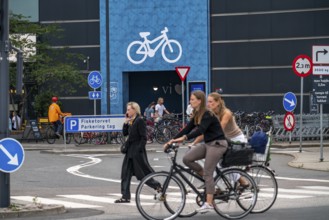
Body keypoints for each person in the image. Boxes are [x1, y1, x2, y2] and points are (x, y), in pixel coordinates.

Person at [164, 90, 228, 214]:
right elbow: (187, 129)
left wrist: (185, 138)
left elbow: (201, 130)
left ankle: (209, 203)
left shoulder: (208, 114)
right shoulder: (197, 113)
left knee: (209, 172)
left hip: (218, 144)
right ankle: (209, 182)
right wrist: (172, 140)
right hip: (208, 144)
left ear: (199, 101)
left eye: (192, 99)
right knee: (187, 159)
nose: (190, 101)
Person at [191, 92, 249, 185]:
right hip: (225, 139)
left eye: (210, 102)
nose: (208, 104)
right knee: (220, 163)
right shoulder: (211, 114)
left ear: (218, 102)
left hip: (236, 140)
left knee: (223, 163)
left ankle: (241, 182)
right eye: (207, 102)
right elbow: (204, 130)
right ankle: (217, 185)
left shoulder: (226, 113)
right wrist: (194, 142)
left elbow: (219, 130)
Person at [115, 102, 160, 203]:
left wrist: (138, 150)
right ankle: (125, 196)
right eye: (127, 110)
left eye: (129, 110)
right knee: (125, 174)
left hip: (136, 152)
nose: (127, 112)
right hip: (130, 151)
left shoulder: (140, 120)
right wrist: (126, 123)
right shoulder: (132, 121)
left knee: (142, 175)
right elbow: (125, 133)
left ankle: (158, 186)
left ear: (135, 110)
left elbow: (144, 137)